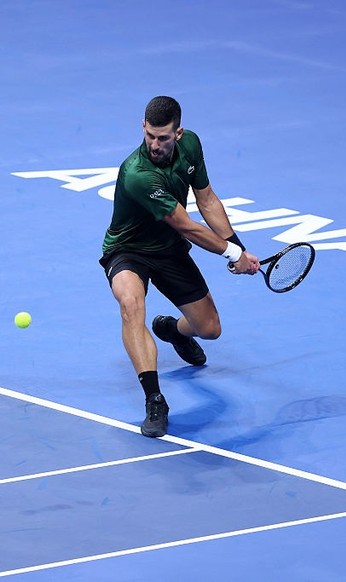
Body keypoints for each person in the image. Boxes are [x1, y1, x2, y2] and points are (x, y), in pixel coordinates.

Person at [99, 96, 260, 438]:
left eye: (163, 138)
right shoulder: (138, 173)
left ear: (178, 132)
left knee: (210, 328)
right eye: (149, 136)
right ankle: (155, 399)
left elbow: (207, 199)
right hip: (128, 250)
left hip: (169, 251)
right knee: (130, 304)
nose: (155, 145)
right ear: (143, 128)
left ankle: (173, 331)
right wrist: (232, 254)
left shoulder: (191, 145)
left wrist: (239, 247)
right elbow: (185, 224)